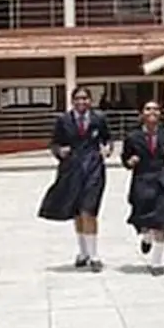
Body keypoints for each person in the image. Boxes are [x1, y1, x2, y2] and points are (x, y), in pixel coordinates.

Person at [37, 87, 112, 271]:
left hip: (93, 168)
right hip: (71, 170)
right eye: (78, 98)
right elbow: (54, 143)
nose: (81, 102)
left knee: (89, 210)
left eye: (85, 98)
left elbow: (108, 139)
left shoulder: (99, 118)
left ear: (90, 100)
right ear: (72, 101)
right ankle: (83, 252)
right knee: (78, 212)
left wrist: (108, 149)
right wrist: (59, 151)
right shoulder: (63, 120)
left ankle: (94, 255)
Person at [122, 100, 164, 275]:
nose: (152, 112)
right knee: (144, 219)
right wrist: (130, 162)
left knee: (162, 222)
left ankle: (157, 262)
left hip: (161, 180)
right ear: (142, 114)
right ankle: (146, 235)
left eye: (156, 109)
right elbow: (125, 159)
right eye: (148, 109)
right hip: (142, 180)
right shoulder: (132, 137)